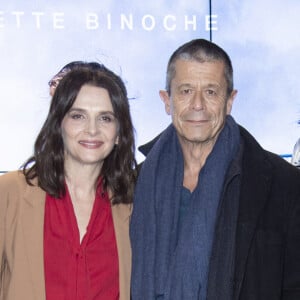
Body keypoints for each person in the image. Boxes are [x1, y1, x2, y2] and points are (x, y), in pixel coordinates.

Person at [130, 38, 300, 299]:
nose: (197, 104)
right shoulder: (134, 185)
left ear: (230, 101)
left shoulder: (284, 185)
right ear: (167, 100)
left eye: (211, 92)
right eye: (186, 91)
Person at [0, 63, 137, 300]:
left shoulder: (134, 205)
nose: (92, 130)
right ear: (58, 124)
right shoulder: (10, 193)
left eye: (105, 118)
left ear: (119, 133)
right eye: (78, 116)